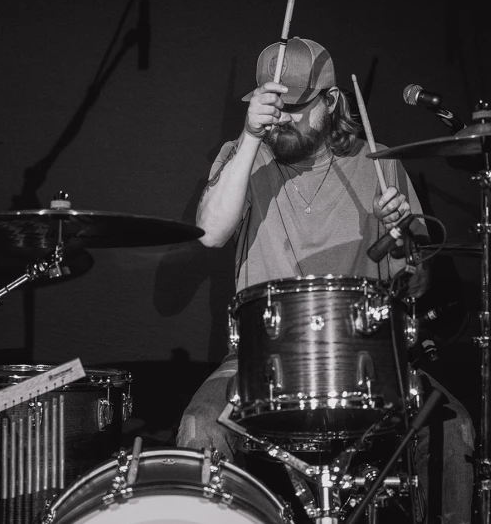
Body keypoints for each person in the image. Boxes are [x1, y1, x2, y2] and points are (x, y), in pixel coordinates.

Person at [176, 37, 475, 524]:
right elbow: (210, 234)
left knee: (452, 429)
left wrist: (402, 244)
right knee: (199, 426)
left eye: (296, 107)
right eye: (272, 104)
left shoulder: (378, 163)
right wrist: (250, 137)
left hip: (367, 357)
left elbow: (416, 283)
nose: (283, 119)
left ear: (331, 101)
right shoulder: (244, 157)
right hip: (260, 359)